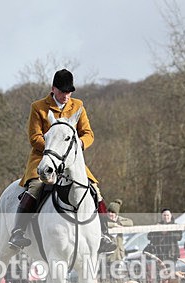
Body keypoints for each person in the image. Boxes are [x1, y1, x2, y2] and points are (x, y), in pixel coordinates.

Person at [7, 68, 116, 254]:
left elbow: (88, 134)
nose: (66, 96)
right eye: (62, 92)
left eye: (69, 92)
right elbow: (34, 137)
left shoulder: (78, 105)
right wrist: (54, 150)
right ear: (53, 89)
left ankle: (104, 234)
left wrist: (78, 145)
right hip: (44, 157)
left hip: (71, 159)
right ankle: (18, 231)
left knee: (94, 189)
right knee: (35, 186)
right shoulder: (38, 107)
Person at [144, 208, 181, 283]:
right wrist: (157, 229)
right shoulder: (158, 225)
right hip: (159, 254)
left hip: (171, 254)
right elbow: (149, 236)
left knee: (171, 273)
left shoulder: (175, 226)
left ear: (171, 216)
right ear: (161, 216)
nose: (166, 217)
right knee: (159, 274)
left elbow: (179, 237)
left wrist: (168, 231)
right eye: (164, 215)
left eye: (167, 215)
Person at [105, 200, 133, 280]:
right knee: (106, 275)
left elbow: (130, 222)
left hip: (118, 254)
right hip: (107, 254)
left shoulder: (120, 219)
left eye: (113, 212)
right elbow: (102, 224)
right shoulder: (104, 220)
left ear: (116, 214)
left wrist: (119, 223)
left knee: (118, 275)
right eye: (109, 211)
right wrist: (113, 225)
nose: (110, 214)